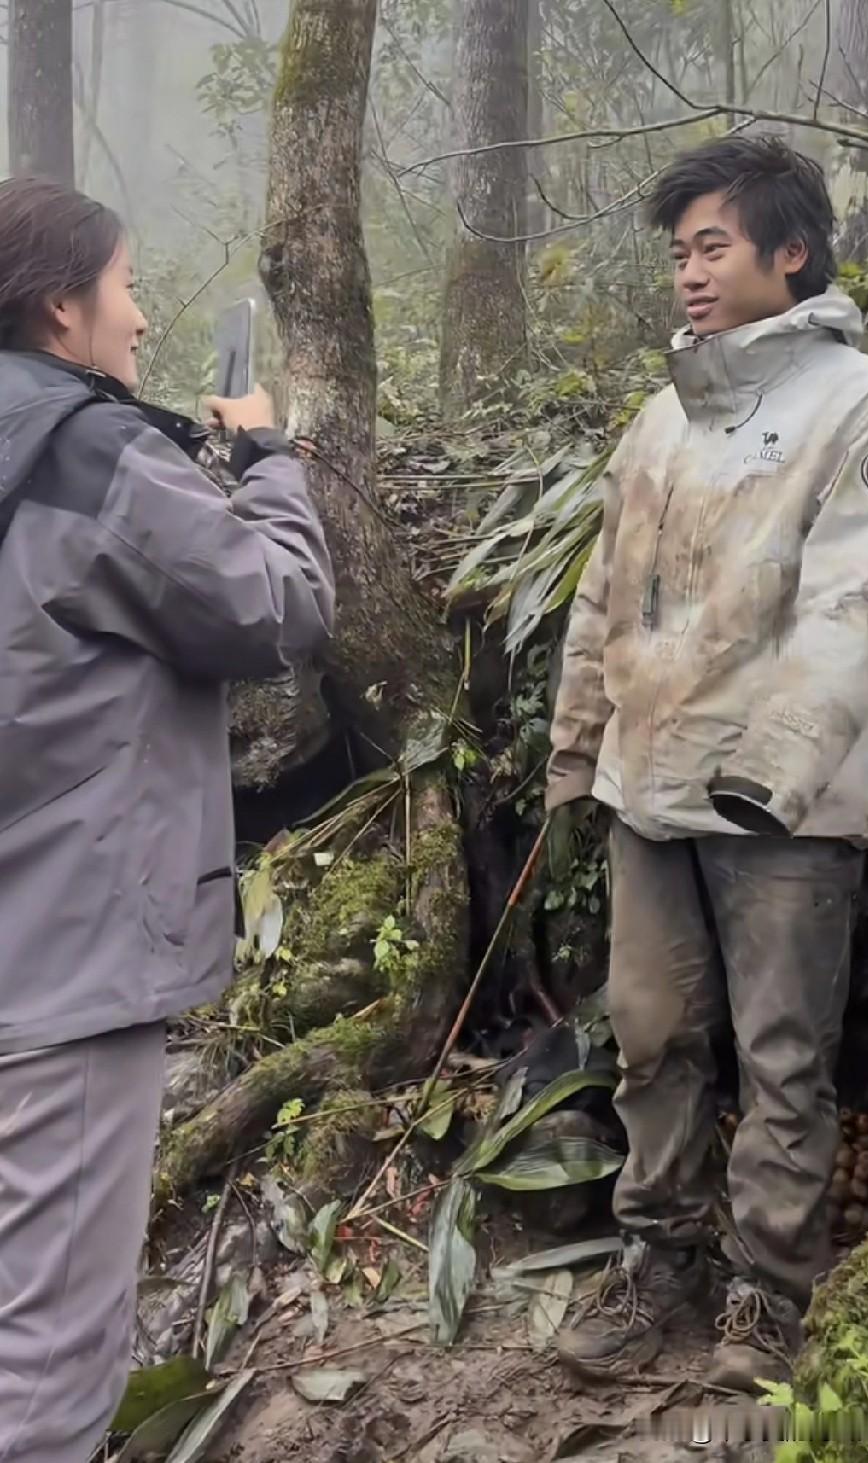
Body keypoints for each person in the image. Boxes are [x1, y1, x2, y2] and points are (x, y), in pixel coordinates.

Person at [546, 135, 868, 1394]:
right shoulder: (662, 415)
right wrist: (576, 748)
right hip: (646, 785)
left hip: (784, 809)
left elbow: (859, 605)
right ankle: (654, 1257)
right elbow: (601, 596)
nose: (689, 274)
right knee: (651, 1036)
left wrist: (773, 770)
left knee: (782, 1054)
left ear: (790, 251)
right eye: (679, 253)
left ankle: (768, 1289)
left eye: (712, 246)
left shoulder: (866, 406)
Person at [0, 178, 334, 1462]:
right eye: (126, 286)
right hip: (67, 960)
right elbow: (276, 605)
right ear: (60, 305)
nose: (138, 317)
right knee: (48, 1352)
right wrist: (266, 460)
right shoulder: (87, 452)